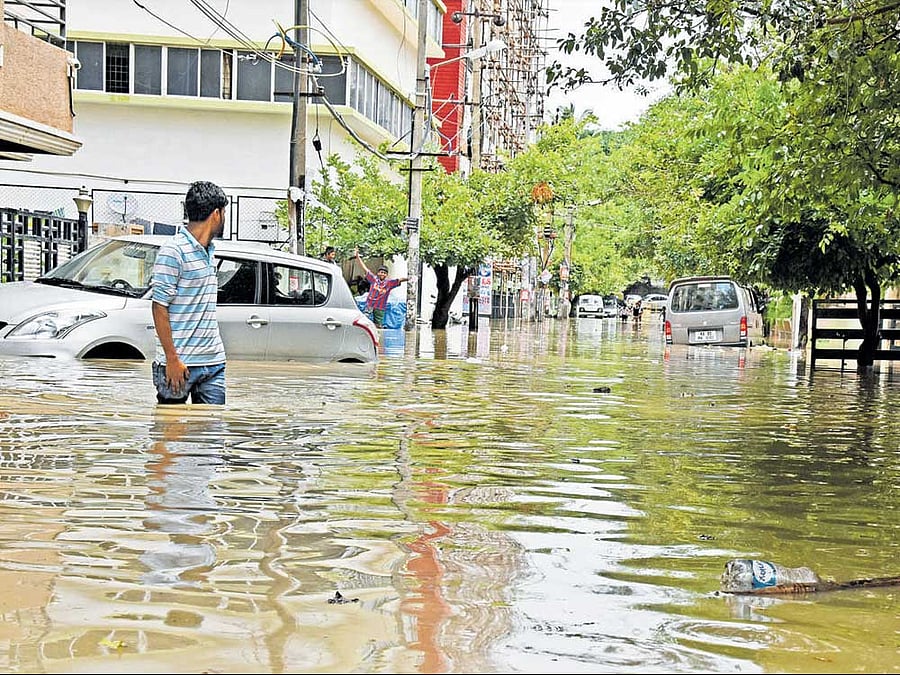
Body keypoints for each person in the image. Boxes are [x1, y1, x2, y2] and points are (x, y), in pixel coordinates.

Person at [150, 181, 228, 405]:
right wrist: (172, 359)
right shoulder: (173, 251)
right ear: (216, 213)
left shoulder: (210, 250)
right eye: (223, 213)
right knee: (170, 432)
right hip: (178, 363)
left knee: (212, 435)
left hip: (213, 360)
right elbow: (159, 306)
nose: (224, 218)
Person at [354, 248, 408, 328]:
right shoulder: (373, 279)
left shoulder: (389, 283)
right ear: (378, 273)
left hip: (380, 307)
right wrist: (357, 257)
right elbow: (364, 268)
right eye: (381, 272)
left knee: (378, 325)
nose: (382, 274)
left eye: (384, 273)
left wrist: (410, 278)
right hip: (370, 304)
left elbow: (400, 279)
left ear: (386, 275)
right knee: (365, 322)